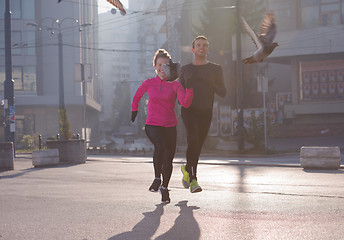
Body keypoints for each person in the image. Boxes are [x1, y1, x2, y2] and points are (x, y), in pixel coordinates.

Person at [131, 49, 193, 203]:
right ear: (155, 66)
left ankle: (164, 188)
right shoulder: (149, 83)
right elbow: (137, 96)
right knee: (160, 146)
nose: (161, 68)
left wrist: (190, 87)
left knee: (168, 159)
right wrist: (134, 110)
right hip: (152, 124)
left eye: (165, 65)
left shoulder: (175, 85)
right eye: (159, 65)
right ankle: (157, 178)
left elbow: (185, 102)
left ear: (170, 67)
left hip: (170, 126)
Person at [179, 36, 226, 193]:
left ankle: (187, 169)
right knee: (193, 139)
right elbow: (179, 95)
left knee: (197, 146)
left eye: (204, 45)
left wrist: (210, 82)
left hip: (206, 111)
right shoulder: (185, 70)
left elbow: (223, 92)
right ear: (193, 49)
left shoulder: (215, 69)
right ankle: (193, 180)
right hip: (189, 111)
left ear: (208, 49)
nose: (201, 47)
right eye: (198, 45)